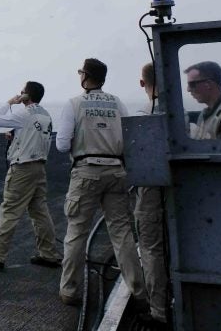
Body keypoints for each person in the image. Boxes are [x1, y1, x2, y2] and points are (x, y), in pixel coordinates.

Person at [56, 58, 147, 307]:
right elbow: (129, 138)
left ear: (85, 76)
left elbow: (62, 144)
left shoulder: (74, 104)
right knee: (121, 232)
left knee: (76, 233)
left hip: (86, 172)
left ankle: (70, 290)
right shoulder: (118, 103)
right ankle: (139, 291)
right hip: (116, 172)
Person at [0, 81, 62, 270]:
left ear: (26, 95)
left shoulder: (22, 113)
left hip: (22, 168)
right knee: (40, 212)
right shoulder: (46, 114)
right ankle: (49, 254)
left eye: (22, 92)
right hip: (39, 167)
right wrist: (16, 136)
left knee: (10, 210)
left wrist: (10, 102)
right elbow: (34, 134)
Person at [134, 63, 169, 328]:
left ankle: (158, 311)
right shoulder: (177, 109)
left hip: (151, 189)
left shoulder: (145, 113)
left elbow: (137, 158)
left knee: (151, 248)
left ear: (142, 83)